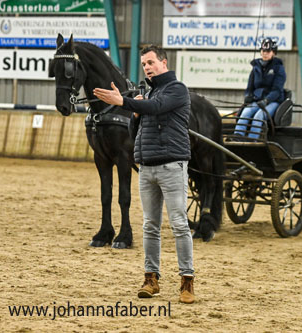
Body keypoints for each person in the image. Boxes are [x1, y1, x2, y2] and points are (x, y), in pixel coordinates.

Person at [93, 45, 195, 304]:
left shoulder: (176, 89)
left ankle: (187, 280)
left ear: (164, 62)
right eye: (144, 64)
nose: (147, 67)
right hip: (147, 167)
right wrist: (135, 113)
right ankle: (151, 278)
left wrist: (124, 102)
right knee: (150, 226)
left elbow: (158, 107)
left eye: (151, 62)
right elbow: (134, 131)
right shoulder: (147, 95)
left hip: (172, 166)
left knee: (179, 224)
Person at [233, 38, 286, 139]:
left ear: (273, 53)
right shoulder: (255, 68)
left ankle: (252, 140)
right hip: (257, 100)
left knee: (259, 116)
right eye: (263, 51)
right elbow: (250, 87)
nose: (265, 53)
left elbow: (277, 90)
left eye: (268, 51)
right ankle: (237, 137)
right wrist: (248, 96)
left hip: (273, 101)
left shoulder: (279, 68)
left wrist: (267, 100)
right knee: (245, 113)